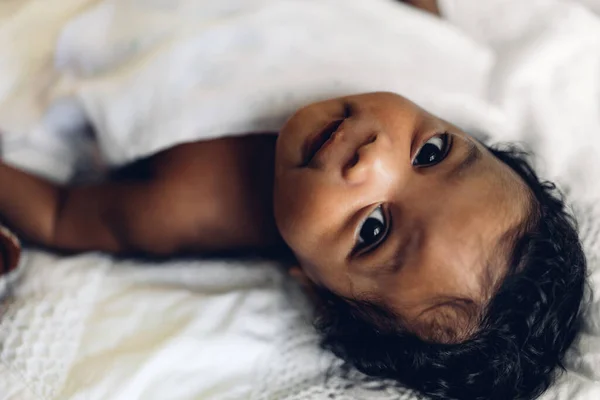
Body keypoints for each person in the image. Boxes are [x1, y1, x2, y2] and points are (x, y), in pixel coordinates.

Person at [0, 89, 587, 400]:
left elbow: (58, 215)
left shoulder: (190, 202)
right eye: (432, 153)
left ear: (314, 284)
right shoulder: (421, 61)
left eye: (373, 229)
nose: (374, 157)